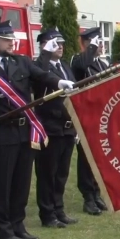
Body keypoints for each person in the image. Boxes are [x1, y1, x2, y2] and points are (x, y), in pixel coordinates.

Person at [0, 20, 74, 239]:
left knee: (21, 183)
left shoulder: (22, 62)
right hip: (2, 133)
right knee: (3, 184)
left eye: (12, 39)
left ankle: (18, 225)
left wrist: (59, 81)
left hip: (25, 131)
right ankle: (4, 230)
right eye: (6, 40)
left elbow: (42, 75)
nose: (11, 43)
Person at [32, 30, 78, 228]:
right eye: (54, 44)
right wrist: (44, 54)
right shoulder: (38, 66)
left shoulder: (65, 67)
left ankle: (59, 209)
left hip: (67, 128)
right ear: (44, 45)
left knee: (61, 173)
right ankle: (47, 213)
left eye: (61, 44)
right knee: (47, 173)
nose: (60, 47)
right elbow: (39, 78)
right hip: (49, 127)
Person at [70, 27, 108, 215]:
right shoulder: (78, 60)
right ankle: (88, 198)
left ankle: (96, 192)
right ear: (85, 43)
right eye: (94, 43)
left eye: (99, 43)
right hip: (85, 115)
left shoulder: (102, 64)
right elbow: (81, 68)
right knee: (86, 159)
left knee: (98, 158)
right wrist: (90, 49)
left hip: (101, 115)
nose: (99, 46)